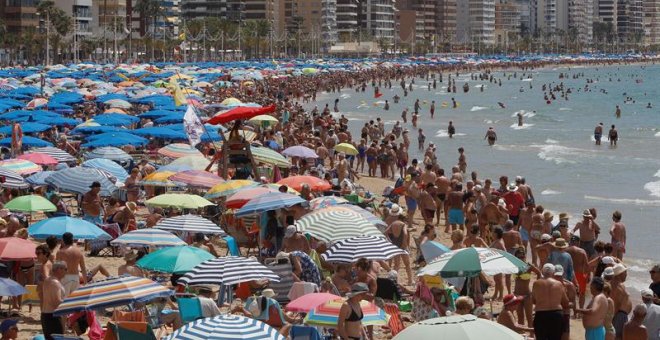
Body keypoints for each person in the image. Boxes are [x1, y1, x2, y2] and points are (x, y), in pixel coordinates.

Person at [532, 263, 569, 340]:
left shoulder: (536, 283)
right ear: (553, 273)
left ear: (542, 272)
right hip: (556, 315)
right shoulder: (558, 284)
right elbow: (565, 302)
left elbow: (533, 300)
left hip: (541, 314)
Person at [385, 214, 413, 285]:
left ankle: (394, 281)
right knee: (407, 264)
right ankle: (410, 281)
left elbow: (385, 232)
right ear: (403, 219)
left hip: (395, 245)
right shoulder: (403, 224)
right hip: (402, 246)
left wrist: (390, 241)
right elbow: (405, 234)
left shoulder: (393, 223)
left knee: (396, 265)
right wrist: (404, 243)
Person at [42, 261, 67, 340]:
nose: (66, 271)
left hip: (45, 315)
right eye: (65, 269)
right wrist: (69, 303)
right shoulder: (55, 283)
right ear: (59, 269)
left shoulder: (47, 280)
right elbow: (56, 302)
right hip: (53, 316)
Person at [555, 265, 577, 340]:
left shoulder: (569, 286)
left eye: (560, 276)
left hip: (564, 314)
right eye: (556, 276)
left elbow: (573, 303)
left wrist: (562, 304)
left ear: (563, 274)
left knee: (565, 337)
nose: (558, 278)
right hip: (553, 314)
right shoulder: (550, 285)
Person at [611, 264, 633, 339]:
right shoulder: (617, 285)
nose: (626, 274)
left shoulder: (619, 284)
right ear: (620, 274)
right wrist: (612, 318)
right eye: (625, 272)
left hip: (621, 315)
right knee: (618, 337)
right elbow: (616, 303)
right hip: (619, 316)